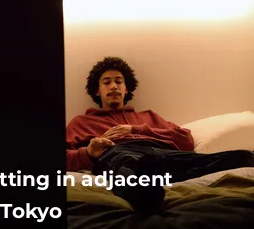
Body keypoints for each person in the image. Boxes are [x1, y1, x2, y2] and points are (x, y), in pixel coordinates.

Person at [66, 56, 254, 214]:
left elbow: (186, 139)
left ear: (127, 89)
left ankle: (154, 177)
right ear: (97, 90)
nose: (113, 86)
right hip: (120, 152)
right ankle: (144, 195)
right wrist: (88, 153)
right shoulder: (82, 122)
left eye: (118, 81)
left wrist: (137, 129)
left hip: (163, 153)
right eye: (107, 82)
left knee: (242, 156)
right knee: (127, 168)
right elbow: (60, 158)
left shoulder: (148, 116)